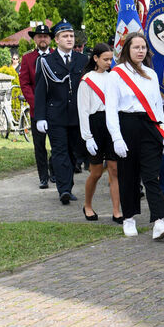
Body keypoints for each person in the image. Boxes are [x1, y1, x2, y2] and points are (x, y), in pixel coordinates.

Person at [105, 33, 164, 240]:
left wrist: (163, 135)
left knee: (152, 175)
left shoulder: (151, 74)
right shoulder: (116, 74)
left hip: (150, 126)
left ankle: (159, 221)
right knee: (128, 176)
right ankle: (128, 217)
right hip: (126, 125)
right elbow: (111, 109)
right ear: (127, 49)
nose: (140, 51)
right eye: (136, 47)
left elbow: (156, 107)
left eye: (143, 47)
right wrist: (116, 137)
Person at [33, 21, 88, 205]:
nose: (69, 39)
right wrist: (40, 117)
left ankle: (68, 185)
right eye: (65, 36)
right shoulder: (47, 62)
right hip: (55, 116)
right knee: (59, 152)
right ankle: (63, 190)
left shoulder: (83, 60)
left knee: (74, 154)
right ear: (56, 40)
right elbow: (40, 91)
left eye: (71, 36)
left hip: (77, 116)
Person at [77, 43, 122, 223]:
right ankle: (87, 205)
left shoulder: (113, 78)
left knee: (114, 170)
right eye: (105, 59)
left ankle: (116, 211)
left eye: (111, 59)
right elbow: (83, 111)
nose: (109, 63)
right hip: (94, 125)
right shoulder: (87, 80)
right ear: (95, 58)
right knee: (95, 172)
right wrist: (87, 137)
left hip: (111, 123)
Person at [19, 24, 54, 189]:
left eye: (46, 36)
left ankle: (54, 171)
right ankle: (43, 177)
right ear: (35, 39)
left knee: (58, 144)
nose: (43, 39)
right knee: (39, 145)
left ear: (50, 39)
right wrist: (37, 105)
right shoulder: (27, 59)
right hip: (36, 111)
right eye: (39, 36)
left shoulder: (56, 56)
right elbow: (25, 84)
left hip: (56, 109)